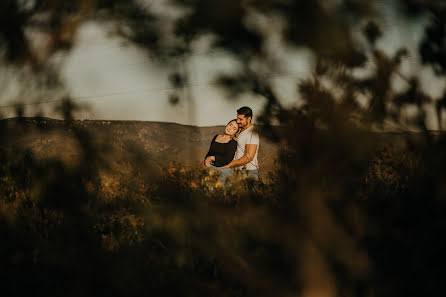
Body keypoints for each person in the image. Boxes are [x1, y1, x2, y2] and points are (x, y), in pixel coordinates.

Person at [221, 106, 260, 179]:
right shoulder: (240, 130)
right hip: (237, 170)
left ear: (248, 119)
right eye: (237, 118)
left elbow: (249, 157)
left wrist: (230, 164)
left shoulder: (252, 133)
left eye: (240, 119)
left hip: (249, 172)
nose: (238, 121)